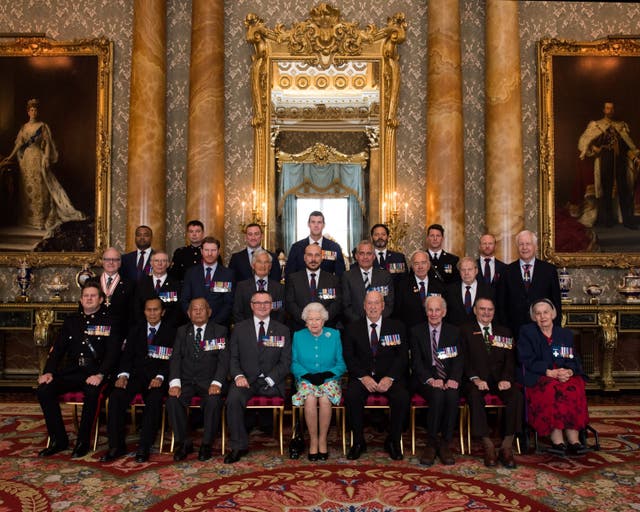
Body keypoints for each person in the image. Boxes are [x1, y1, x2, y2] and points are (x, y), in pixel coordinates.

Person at [37, 281, 120, 458]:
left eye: (93, 296)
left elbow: (113, 353)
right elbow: (58, 349)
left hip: (96, 372)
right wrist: (48, 372)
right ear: (81, 300)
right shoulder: (71, 321)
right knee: (44, 389)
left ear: (101, 299)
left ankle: (83, 441)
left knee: (92, 394)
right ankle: (58, 439)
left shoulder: (110, 321)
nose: (89, 299)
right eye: (85, 296)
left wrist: (100, 374)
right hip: (74, 370)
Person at [101, 298, 176, 463]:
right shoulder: (135, 330)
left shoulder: (172, 332)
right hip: (135, 376)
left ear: (162, 312)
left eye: (156, 310)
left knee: (155, 400)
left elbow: (172, 360)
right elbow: (126, 357)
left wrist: (160, 377)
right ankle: (116, 445)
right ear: (144, 312)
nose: (152, 313)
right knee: (116, 396)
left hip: (157, 379)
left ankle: (144, 446)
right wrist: (122, 375)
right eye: (149, 310)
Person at [224, 290, 291, 464]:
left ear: (272, 306)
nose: (262, 306)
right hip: (245, 380)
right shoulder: (239, 328)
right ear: (251, 306)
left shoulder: (282, 330)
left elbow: (286, 361)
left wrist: (271, 378)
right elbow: (233, 357)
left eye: (266, 303)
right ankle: (238, 446)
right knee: (233, 399)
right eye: (258, 303)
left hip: (272, 382)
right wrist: (238, 375)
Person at [342, 290, 410, 461]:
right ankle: (358, 442)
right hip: (363, 377)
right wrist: (363, 377)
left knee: (402, 397)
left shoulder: (397, 327)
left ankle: (393, 441)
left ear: (383, 306)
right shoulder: (352, 328)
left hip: (389, 377)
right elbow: (349, 357)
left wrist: (390, 377)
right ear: (364, 306)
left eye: (376, 303)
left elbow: (402, 357)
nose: (373, 307)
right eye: (369, 303)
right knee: (352, 396)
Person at [1, 98, 85, 231]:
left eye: (36, 110)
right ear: (28, 112)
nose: (34, 112)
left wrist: (46, 158)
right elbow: (19, 145)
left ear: (38, 112)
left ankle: (40, 219)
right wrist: (9, 157)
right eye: (31, 110)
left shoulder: (42, 126)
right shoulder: (24, 127)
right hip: (26, 161)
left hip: (38, 157)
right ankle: (28, 220)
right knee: (27, 189)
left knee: (40, 188)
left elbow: (47, 144)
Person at [518, 298, 589, 456]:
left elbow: (573, 358)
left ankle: (573, 438)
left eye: (546, 312)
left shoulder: (564, 334)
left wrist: (569, 371)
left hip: (564, 374)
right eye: (538, 313)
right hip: (540, 376)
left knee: (574, 387)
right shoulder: (527, 332)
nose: (542, 316)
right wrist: (549, 372)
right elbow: (526, 359)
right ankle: (557, 439)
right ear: (533, 317)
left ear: (553, 314)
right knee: (552, 389)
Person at [461, 297, 522, 468]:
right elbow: (463, 360)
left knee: (516, 396)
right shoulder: (465, 331)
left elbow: (510, 360)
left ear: (494, 312)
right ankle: (487, 444)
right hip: (476, 381)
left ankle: (507, 445)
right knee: (474, 396)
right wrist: (475, 379)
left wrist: (507, 379)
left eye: (490, 309)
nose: (486, 313)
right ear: (475, 310)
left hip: (500, 381)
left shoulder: (505, 332)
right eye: (482, 309)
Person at [166, 298, 228, 462]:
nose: (198, 312)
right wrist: (175, 383)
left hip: (209, 382)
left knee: (214, 401)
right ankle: (183, 443)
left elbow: (223, 361)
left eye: (202, 309)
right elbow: (176, 359)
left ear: (209, 312)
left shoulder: (219, 331)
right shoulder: (181, 331)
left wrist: (217, 383)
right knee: (173, 400)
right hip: (186, 381)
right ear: (188, 313)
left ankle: (206, 444)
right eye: (195, 309)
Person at [410, 295, 463, 466]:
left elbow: (458, 359)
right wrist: (430, 379)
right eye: (430, 310)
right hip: (425, 377)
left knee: (452, 396)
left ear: (444, 312)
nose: (434, 314)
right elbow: (416, 362)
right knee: (438, 395)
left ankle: (445, 443)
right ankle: (431, 443)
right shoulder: (416, 331)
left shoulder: (454, 332)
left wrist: (454, 378)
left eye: (437, 310)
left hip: (448, 375)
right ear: (426, 312)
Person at [291, 303, 346, 460]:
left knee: (324, 399)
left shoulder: (334, 335)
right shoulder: (298, 336)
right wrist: (307, 375)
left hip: (330, 379)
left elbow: (341, 363)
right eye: (310, 319)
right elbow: (294, 363)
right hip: (305, 379)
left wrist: (328, 374)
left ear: (324, 321)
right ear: (305, 321)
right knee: (309, 399)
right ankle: (313, 441)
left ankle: (323, 440)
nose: (314, 323)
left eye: (318, 319)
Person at [578, 101, 640, 229]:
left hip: (620, 160)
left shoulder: (621, 126)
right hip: (604, 159)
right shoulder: (597, 125)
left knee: (624, 190)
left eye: (612, 108)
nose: (610, 111)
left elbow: (627, 146)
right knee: (605, 190)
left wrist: (634, 157)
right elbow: (584, 141)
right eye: (607, 108)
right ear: (603, 110)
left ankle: (628, 221)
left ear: (614, 110)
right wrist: (593, 147)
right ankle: (607, 220)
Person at [497, 230, 562, 337]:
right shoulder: (506, 271)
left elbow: (556, 303)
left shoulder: (549, 270)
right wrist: (505, 330)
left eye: (528, 244)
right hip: (514, 331)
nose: (524, 247)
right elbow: (501, 305)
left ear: (535, 247)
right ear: (517, 247)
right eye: (521, 244)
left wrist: (555, 330)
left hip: (543, 330)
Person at [285, 243, 342, 332]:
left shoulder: (333, 279)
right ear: (304, 258)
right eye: (310, 255)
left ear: (322, 258)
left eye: (317, 255)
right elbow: (290, 303)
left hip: (326, 328)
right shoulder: (293, 279)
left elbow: (336, 303)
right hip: (300, 328)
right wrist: (306, 319)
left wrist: (322, 319)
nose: (313, 259)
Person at [180, 236, 234, 327]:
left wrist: (213, 324)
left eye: (213, 250)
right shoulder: (191, 273)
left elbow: (228, 303)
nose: (210, 253)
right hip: (194, 325)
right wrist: (195, 319)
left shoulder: (228, 274)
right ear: (201, 251)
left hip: (219, 326)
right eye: (206, 250)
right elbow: (184, 300)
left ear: (218, 251)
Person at [342, 240, 394, 325]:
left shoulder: (385, 276)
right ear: (356, 256)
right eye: (362, 253)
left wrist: (376, 320)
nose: (365, 257)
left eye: (369, 253)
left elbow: (389, 304)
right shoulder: (347, 276)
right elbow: (346, 306)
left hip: (381, 324)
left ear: (374, 256)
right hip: (356, 325)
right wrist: (362, 323)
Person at [285, 211, 346, 277]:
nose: (316, 225)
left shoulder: (334, 248)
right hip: (302, 286)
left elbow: (340, 275)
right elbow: (289, 274)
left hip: (327, 286)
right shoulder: (296, 247)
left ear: (323, 225)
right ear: (308, 224)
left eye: (319, 222)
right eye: (313, 222)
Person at [393, 250, 444, 328]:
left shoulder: (439, 286)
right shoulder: (402, 286)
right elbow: (397, 313)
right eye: (416, 263)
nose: (420, 267)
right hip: (410, 333)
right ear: (412, 266)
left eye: (423, 263)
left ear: (428, 265)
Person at [133, 250, 185, 328]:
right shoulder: (142, 283)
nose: (160, 264)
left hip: (169, 328)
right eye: (156, 261)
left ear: (168, 264)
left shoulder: (176, 285)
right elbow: (136, 307)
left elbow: (178, 310)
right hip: (145, 327)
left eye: (163, 261)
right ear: (151, 263)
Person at [232, 249, 285, 324]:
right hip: (247, 331)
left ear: (270, 266)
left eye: (266, 262)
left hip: (272, 331)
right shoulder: (242, 287)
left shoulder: (279, 288)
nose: (262, 266)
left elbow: (281, 312)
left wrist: (271, 328)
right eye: (259, 262)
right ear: (253, 265)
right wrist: (248, 330)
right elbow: (237, 312)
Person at [444, 256, 494, 327]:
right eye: (463, 270)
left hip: (479, 334)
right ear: (459, 272)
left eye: (469, 269)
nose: (466, 273)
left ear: (476, 271)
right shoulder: (450, 290)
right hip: (456, 333)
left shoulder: (488, 290)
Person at [99, 247, 135, 333]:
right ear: (102, 262)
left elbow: (133, 313)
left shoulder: (130, 284)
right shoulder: (92, 282)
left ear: (120, 263)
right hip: (95, 332)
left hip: (119, 333)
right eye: (107, 259)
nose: (111, 262)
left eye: (115, 260)